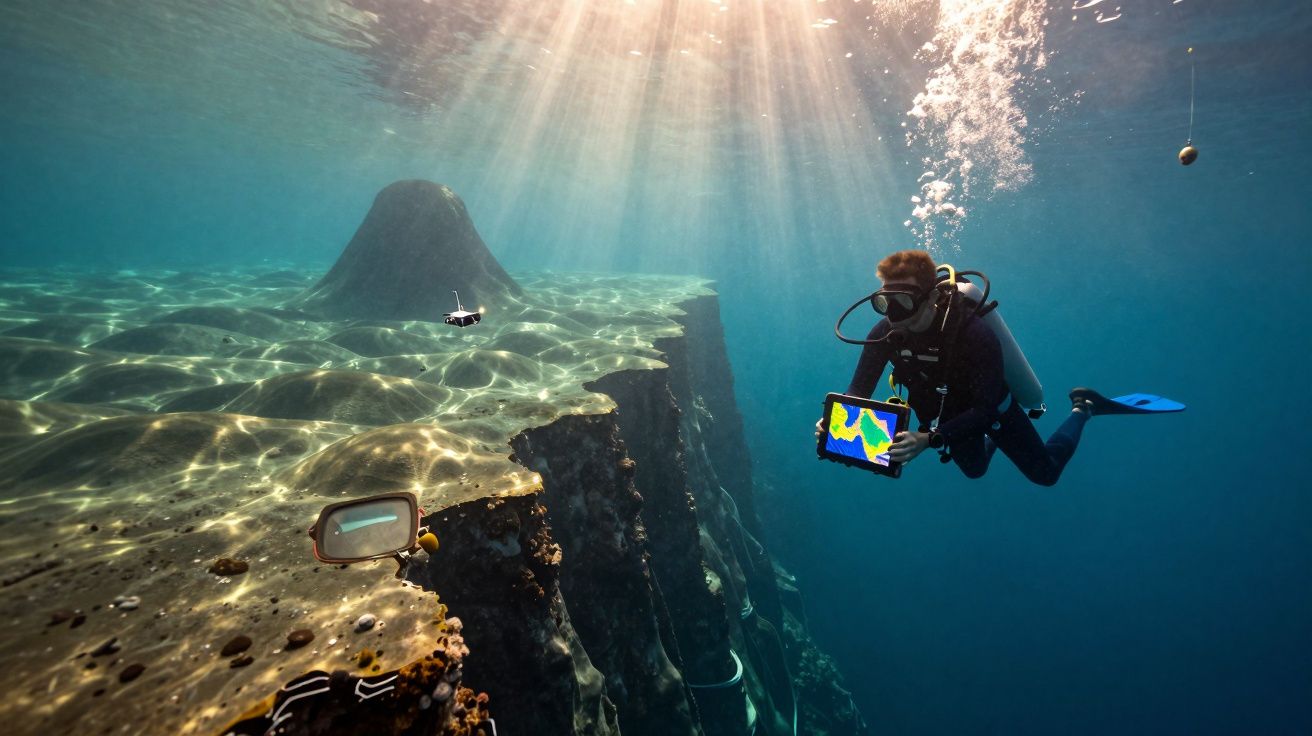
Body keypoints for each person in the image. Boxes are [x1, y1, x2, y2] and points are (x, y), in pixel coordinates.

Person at [823, 249, 1096, 486]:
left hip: (991, 408)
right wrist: (837, 421)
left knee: (1045, 474)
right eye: (885, 302)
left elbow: (985, 409)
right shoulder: (883, 333)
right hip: (947, 415)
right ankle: (988, 439)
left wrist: (929, 439)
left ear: (931, 298)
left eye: (903, 302)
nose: (893, 315)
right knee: (975, 471)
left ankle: (1082, 407)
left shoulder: (973, 333)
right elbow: (858, 389)